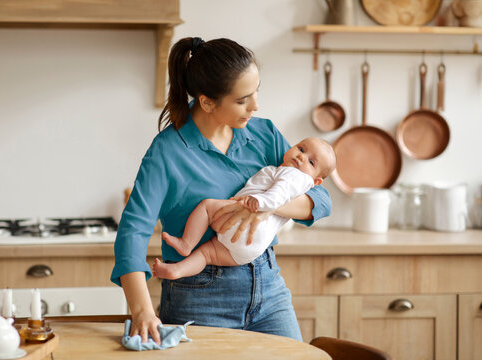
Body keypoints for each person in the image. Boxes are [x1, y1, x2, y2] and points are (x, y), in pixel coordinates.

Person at [110, 36, 332, 345]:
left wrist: (264, 205)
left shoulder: (263, 133)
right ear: (207, 102)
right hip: (199, 295)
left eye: (256, 92)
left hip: (268, 287)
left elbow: (319, 199)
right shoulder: (168, 151)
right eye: (243, 100)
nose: (255, 105)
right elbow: (133, 232)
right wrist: (143, 310)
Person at [152, 137, 336, 280]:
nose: (301, 156)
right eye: (301, 148)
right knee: (207, 255)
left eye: (311, 162)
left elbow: (278, 195)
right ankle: (176, 270)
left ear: (317, 182)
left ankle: (186, 244)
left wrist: (259, 203)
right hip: (250, 250)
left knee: (207, 207)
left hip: (241, 220)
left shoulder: (293, 175)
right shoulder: (300, 180)